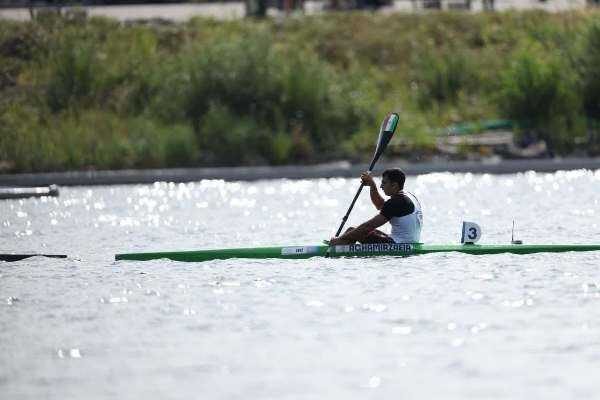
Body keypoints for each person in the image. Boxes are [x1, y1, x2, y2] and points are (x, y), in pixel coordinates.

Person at [328, 168, 422, 245]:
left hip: (398, 244)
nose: (381, 186)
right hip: (410, 242)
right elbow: (381, 205)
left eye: (384, 183)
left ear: (394, 185)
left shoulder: (396, 202)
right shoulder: (408, 196)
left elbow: (368, 226)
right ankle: (340, 244)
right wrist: (372, 186)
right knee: (353, 231)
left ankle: (337, 245)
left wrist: (340, 238)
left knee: (352, 231)